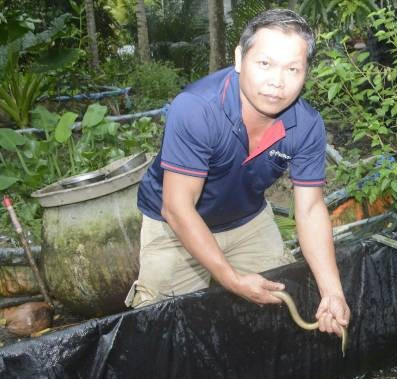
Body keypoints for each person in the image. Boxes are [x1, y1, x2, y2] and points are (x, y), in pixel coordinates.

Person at [125, 9, 349, 339]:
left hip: (247, 221)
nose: (277, 81)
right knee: (161, 326)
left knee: (281, 297)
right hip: (175, 225)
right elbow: (177, 207)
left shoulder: (306, 125)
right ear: (240, 59)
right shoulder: (197, 108)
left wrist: (333, 291)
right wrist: (231, 279)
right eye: (265, 64)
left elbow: (311, 209)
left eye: (292, 69)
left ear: (305, 74)